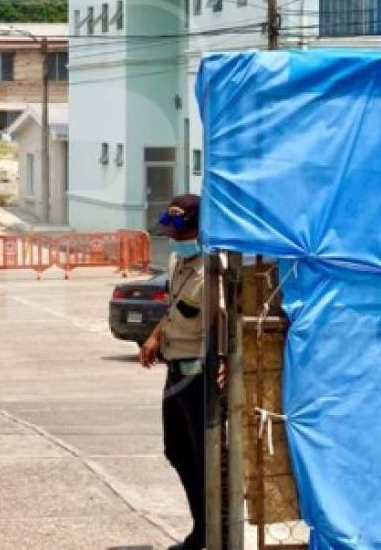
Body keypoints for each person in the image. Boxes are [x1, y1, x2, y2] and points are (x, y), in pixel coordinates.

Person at [140, 193, 218, 550]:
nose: (174, 239)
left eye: (181, 233)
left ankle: (211, 533)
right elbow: (175, 308)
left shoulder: (214, 271)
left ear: (199, 230)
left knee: (206, 458)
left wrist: (226, 367)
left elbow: (227, 324)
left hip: (200, 375)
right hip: (175, 369)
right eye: (171, 232)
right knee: (177, 451)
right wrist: (154, 336)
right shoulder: (177, 260)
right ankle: (202, 527)